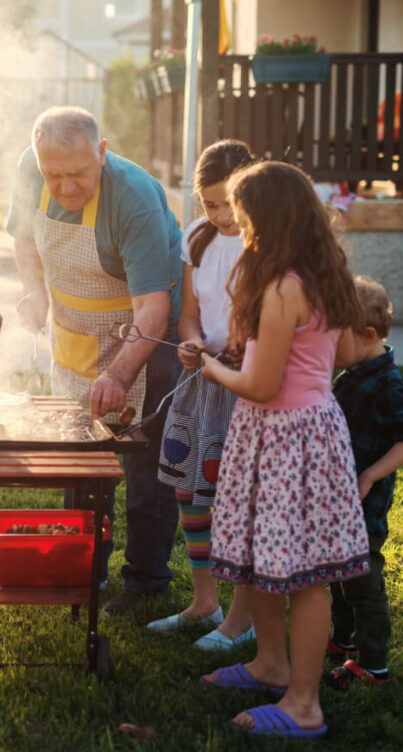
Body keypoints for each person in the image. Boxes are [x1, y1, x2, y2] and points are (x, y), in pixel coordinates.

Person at [197, 161, 370, 739]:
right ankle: (270, 665)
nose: (240, 227)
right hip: (315, 430)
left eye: (243, 216)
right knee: (263, 559)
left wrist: (214, 369)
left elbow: (261, 385)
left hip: (280, 436)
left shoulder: (279, 286)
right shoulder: (326, 276)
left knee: (304, 576)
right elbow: (345, 352)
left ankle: (303, 704)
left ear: (267, 218)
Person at [5, 106, 183, 613]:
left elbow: (153, 307)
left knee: (143, 461)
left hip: (144, 336)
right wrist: (35, 294)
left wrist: (121, 372)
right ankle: (83, 567)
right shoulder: (29, 169)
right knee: (79, 455)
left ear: (102, 153)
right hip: (77, 330)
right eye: (53, 175)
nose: (63, 187)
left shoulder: (135, 199)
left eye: (77, 174)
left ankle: (146, 581)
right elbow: (23, 241)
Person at [145, 140, 256, 651]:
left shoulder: (266, 244)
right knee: (191, 492)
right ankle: (203, 601)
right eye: (209, 204)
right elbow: (189, 311)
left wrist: (230, 357)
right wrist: (191, 341)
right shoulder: (198, 237)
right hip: (199, 383)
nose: (220, 215)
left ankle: (243, 617)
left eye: (227, 204)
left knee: (237, 500)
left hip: (243, 385)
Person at [324, 276, 403, 689]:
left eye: (335, 338)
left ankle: (373, 662)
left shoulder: (388, 384)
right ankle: (344, 642)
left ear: (368, 335)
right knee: (340, 574)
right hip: (339, 500)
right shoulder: (353, 372)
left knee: (362, 580)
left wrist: (371, 474)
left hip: (364, 506)